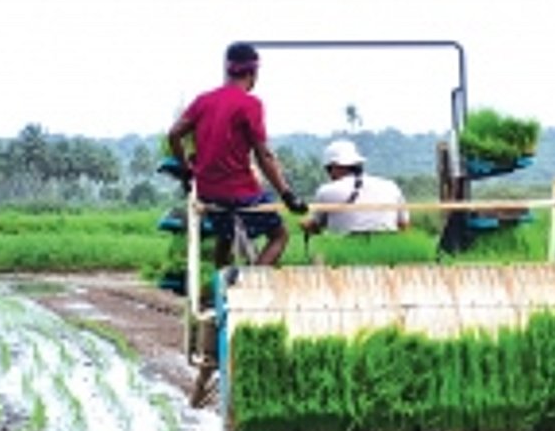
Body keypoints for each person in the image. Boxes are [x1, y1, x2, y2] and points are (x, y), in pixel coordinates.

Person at [166, 42, 308, 267]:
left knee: (226, 235)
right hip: (239, 193)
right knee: (280, 234)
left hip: (208, 192)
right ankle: (249, 286)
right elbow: (264, 157)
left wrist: (187, 171)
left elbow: (174, 134)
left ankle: (221, 291)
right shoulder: (251, 104)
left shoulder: (204, 101)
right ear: (253, 73)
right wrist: (288, 195)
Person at [301, 140, 409, 236]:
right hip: (388, 247)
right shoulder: (391, 186)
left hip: (342, 251)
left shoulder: (326, 191)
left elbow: (315, 225)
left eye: (328, 169)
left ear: (335, 167)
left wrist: (304, 225)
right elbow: (403, 224)